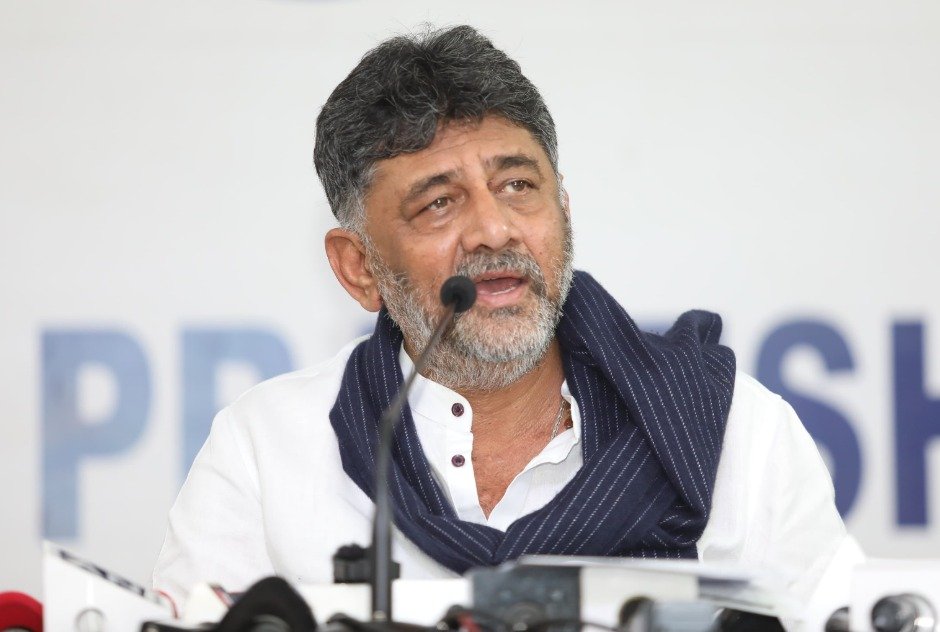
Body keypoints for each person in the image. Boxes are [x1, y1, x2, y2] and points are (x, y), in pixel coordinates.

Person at [153, 25, 862, 628]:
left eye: (518, 186)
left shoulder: (731, 430)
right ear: (359, 267)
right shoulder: (266, 450)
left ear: (564, 212)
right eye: (438, 202)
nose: (494, 229)